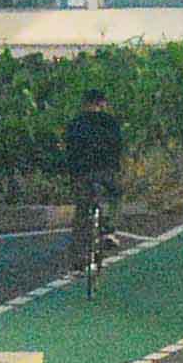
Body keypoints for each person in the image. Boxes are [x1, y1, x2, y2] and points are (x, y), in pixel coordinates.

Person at [59, 93, 127, 280]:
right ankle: (109, 230)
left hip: (82, 173)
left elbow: (69, 150)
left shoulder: (76, 123)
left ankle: (77, 265)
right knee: (116, 194)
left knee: (82, 213)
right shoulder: (110, 122)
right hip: (106, 171)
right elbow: (117, 146)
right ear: (102, 104)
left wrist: (72, 173)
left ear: (84, 104)